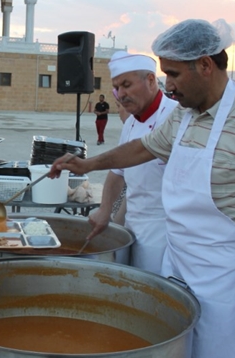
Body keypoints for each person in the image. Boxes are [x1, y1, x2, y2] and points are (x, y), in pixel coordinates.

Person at [50, 19, 235, 358]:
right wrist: (87, 164)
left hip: (225, 279)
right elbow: (143, 149)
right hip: (177, 266)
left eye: (174, 74)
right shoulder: (185, 116)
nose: (168, 85)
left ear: (205, 65)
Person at [88, 51, 178, 274]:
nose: (121, 94)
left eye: (126, 85)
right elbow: (117, 173)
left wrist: (86, 164)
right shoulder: (130, 123)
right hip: (133, 224)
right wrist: (104, 211)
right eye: (117, 88)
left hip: (166, 230)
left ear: (150, 80)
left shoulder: (176, 117)